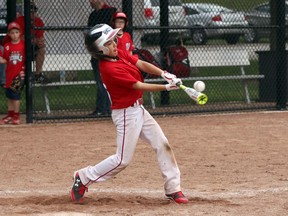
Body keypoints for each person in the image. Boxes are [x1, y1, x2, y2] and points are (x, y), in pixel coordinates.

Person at [70, 24, 189, 204]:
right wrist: (165, 87)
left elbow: (140, 63)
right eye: (109, 42)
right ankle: (84, 177)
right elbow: (137, 85)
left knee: (162, 144)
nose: (115, 43)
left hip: (138, 109)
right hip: (126, 114)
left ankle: (173, 189)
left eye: (113, 40)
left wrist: (164, 73)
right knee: (122, 160)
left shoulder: (118, 54)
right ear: (101, 49)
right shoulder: (109, 69)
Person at [2, 2, 49, 84]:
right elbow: (18, 38)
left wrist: (38, 41)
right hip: (11, 47)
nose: (32, 14)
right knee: (21, 47)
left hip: (29, 46)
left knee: (42, 48)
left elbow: (40, 39)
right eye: (30, 12)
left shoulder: (38, 21)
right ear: (26, 13)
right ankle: (20, 77)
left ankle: (38, 75)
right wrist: (34, 40)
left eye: (33, 11)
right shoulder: (20, 20)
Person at [87, 0, 117, 116]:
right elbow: (89, 33)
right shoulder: (93, 15)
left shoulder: (110, 12)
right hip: (96, 52)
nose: (90, 2)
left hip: (107, 52)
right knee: (99, 81)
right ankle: (101, 108)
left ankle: (107, 108)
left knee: (105, 81)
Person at [0, 22, 25, 125]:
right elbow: (5, 60)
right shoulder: (7, 46)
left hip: (19, 74)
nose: (14, 35)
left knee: (15, 95)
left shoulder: (23, 45)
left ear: (20, 33)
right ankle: (10, 115)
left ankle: (16, 115)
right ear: (9, 34)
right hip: (9, 74)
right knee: (9, 95)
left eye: (16, 32)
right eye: (12, 33)